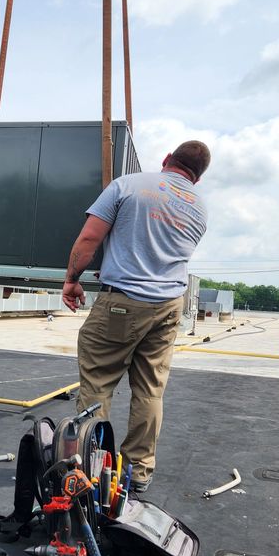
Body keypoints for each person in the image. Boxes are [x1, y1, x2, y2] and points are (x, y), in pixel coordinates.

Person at [62, 140, 211, 491]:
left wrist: (72, 280)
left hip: (122, 303)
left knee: (98, 384)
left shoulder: (128, 185)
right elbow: (158, 251)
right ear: (197, 179)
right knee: (149, 391)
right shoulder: (200, 208)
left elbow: (90, 238)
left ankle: (91, 469)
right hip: (170, 306)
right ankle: (138, 473)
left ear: (166, 160)